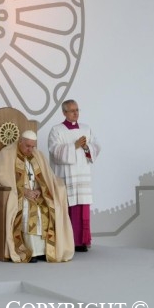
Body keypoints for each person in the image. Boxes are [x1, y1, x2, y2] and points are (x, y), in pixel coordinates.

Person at [0, 130, 74, 263]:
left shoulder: (38, 155)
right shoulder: (7, 153)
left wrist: (40, 190)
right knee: (30, 209)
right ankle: (29, 251)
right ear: (20, 142)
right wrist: (23, 191)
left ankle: (44, 251)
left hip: (36, 193)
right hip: (18, 194)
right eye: (27, 146)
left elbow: (48, 177)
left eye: (33, 146)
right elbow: (0, 176)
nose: (30, 149)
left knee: (49, 207)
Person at [47, 99, 100, 252]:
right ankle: (69, 242)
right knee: (68, 207)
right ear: (64, 112)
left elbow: (96, 146)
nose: (75, 113)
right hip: (67, 175)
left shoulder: (86, 128)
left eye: (77, 110)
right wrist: (74, 146)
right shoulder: (57, 130)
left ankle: (83, 241)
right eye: (72, 111)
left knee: (83, 208)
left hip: (82, 174)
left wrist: (87, 147)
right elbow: (54, 151)